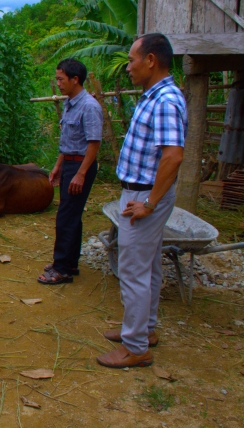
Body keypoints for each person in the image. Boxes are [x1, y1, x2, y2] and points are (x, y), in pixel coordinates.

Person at [97, 33, 186, 369]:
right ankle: (144, 331)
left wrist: (148, 202)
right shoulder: (155, 96)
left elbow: (173, 156)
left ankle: (135, 348)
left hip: (145, 196)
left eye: (132, 60)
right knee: (148, 265)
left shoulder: (164, 101)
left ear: (150, 60)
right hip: (142, 192)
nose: (128, 67)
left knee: (133, 269)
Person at [38, 59, 103, 285]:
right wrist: (58, 165)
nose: (58, 84)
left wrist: (81, 173)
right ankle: (71, 262)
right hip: (69, 163)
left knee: (66, 217)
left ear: (75, 80)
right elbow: (69, 141)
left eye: (61, 79)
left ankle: (62, 269)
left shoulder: (89, 106)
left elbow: (93, 144)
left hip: (81, 166)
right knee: (72, 215)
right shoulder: (70, 103)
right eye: (57, 79)